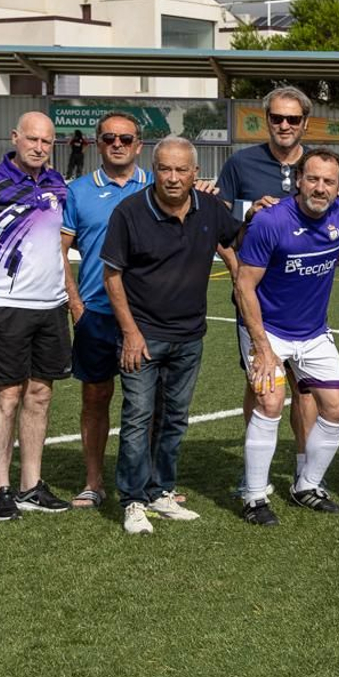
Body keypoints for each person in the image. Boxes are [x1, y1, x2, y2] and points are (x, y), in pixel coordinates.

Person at [233, 149, 339, 526]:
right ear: (298, 180)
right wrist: (263, 348)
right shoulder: (270, 222)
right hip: (268, 329)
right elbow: (244, 287)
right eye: (312, 179)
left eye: (328, 181)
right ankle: (253, 496)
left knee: (336, 407)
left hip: (313, 331)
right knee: (270, 402)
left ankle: (307, 486)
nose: (320, 188)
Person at [101, 137, 241, 534]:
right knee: (137, 418)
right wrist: (130, 333)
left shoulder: (210, 207)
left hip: (189, 337)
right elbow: (112, 276)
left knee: (174, 420)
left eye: (182, 170)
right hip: (142, 337)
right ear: (154, 169)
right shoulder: (129, 212)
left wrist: (272, 211)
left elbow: (241, 239)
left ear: (196, 173)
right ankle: (132, 500)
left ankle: (161, 492)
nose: (174, 178)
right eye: (165, 169)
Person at [217, 85, 318, 495]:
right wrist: (240, 268)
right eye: (277, 118)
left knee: (305, 385)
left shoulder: (319, 165)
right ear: (266, 120)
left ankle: (304, 471)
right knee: (261, 383)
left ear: (304, 123)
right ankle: (254, 471)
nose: (284, 125)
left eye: (293, 119)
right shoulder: (241, 163)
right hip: (256, 296)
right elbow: (220, 228)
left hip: (305, 297)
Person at [0, 111, 73, 519]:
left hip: (51, 305)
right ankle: (0, 488)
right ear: (15, 137)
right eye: (32, 139)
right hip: (4, 304)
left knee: (41, 394)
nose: (39, 147)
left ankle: (30, 485)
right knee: (7, 396)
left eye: (47, 142)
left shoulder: (58, 184)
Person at [61, 113, 152, 507]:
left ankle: (151, 485)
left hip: (149, 315)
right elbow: (59, 251)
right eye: (109, 138)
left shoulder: (158, 184)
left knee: (150, 403)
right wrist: (75, 303)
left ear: (139, 145)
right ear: (97, 143)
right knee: (95, 397)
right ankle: (94, 481)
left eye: (126, 138)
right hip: (96, 313)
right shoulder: (78, 191)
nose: (118, 144)